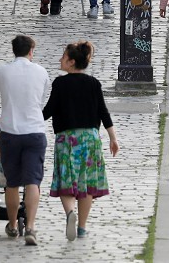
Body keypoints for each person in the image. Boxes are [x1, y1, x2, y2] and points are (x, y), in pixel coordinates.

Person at [43, 40, 119, 241]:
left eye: (63, 56)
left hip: (67, 139)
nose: (60, 59)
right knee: (85, 184)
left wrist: (29, 117)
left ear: (71, 62)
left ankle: (70, 214)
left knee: (67, 180)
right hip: (90, 139)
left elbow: (48, 111)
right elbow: (103, 112)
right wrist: (113, 138)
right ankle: (82, 228)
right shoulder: (94, 83)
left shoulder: (60, 83)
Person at [0, 35, 50, 247]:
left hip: (10, 132)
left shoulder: (2, 70)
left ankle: (12, 225)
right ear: (31, 51)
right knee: (33, 181)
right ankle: (30, 226)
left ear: (14, 51)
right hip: (35, 132)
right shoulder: (41, 71)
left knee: (12, 183)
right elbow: (41, 100)